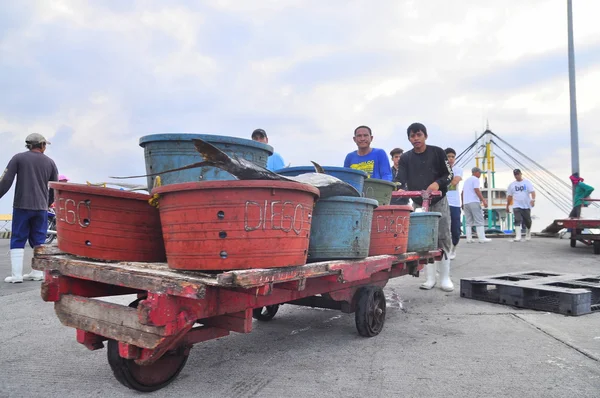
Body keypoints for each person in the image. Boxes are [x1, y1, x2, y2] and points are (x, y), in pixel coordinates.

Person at [397, 122, 454, 291]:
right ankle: (430, 278)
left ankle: (445, 278)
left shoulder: (437, 152)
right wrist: (399, 187)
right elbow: (401, 178)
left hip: (439, 201)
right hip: (418, 202)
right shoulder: (406, 158)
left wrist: (438, 183)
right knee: (423, 240)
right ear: (409, 139)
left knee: (442, 236)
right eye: (412, 136)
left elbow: (449, 175)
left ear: (425, 136)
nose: (416, 139)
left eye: (419, 135)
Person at [0, 133, 58, 283]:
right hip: (41, 208)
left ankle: (17, 275)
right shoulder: (50, 162)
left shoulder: (18, 158)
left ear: (29, 145)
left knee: (18, 237)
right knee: (39, 239)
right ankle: (37, 273)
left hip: (22, 205)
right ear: (42, 145)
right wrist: (47, 203)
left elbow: (6, 180)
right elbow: (54, 187)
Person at [461, 167, 492, 243]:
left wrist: (462, 203)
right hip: (473, 201)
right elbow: (477, 190)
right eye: (480, 173)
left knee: (468, 221)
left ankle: (469, 239)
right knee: (479, 219)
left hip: (466, 203)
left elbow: (462, 193)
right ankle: (482, 238)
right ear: (476, 172)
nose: (480, 174)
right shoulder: (475, 179)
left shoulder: (466, 181)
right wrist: (483, 200)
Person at [506, 169, 536, 242]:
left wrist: (533, 200)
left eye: (518, 174)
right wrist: (507, 205)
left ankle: (528, 233)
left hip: (526, 205)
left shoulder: (527, 183)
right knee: (517, 219)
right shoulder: (512, 185)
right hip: (516, 205)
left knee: (528, 221)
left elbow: (532, 192)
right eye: (515, 175)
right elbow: (509, 196)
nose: (517, 176)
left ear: (521, 174)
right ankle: (518, 236)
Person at [444, 148, 463, 259]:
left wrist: (441, 183)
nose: (450, 159)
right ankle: (445, 249)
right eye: (448, 156)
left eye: (452, 157)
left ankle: (454, 248)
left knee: (455, 228)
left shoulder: (458, 169)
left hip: (454, 203)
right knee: (443, 227)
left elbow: (455, 181)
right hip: (442, 202)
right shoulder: (439, 170)